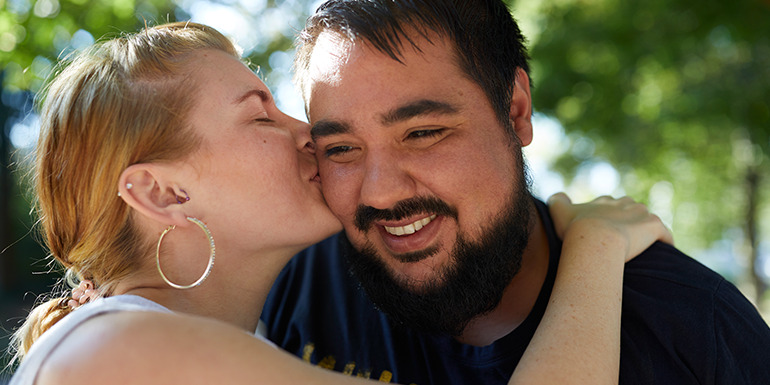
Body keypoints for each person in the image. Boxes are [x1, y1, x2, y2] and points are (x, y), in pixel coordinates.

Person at [7, 21, 670, 385]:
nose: (310, 134)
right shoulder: (123, 350)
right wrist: (596, 244)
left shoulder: (226, 344)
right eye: (260, 114)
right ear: (162, 191)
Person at [260, 0, 770, 384]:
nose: (382, 192)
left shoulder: (696, 325)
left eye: (423, 133)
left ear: (516, 111)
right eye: (342, 149)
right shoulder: (295, 281)